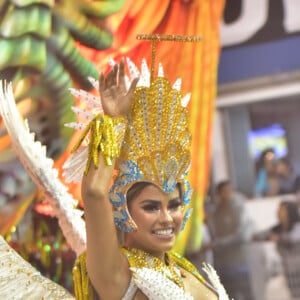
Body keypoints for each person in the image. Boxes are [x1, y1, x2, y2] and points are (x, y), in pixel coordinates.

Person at [207, 180, 255, 300]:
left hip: (240, 263)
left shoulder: (238, 209)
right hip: (223, 266)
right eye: (225, 191)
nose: (228, 194)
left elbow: (242, 235)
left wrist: (218, 243)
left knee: (247, 295)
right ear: (219, 194)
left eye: (230, 191)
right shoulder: (215, 213)